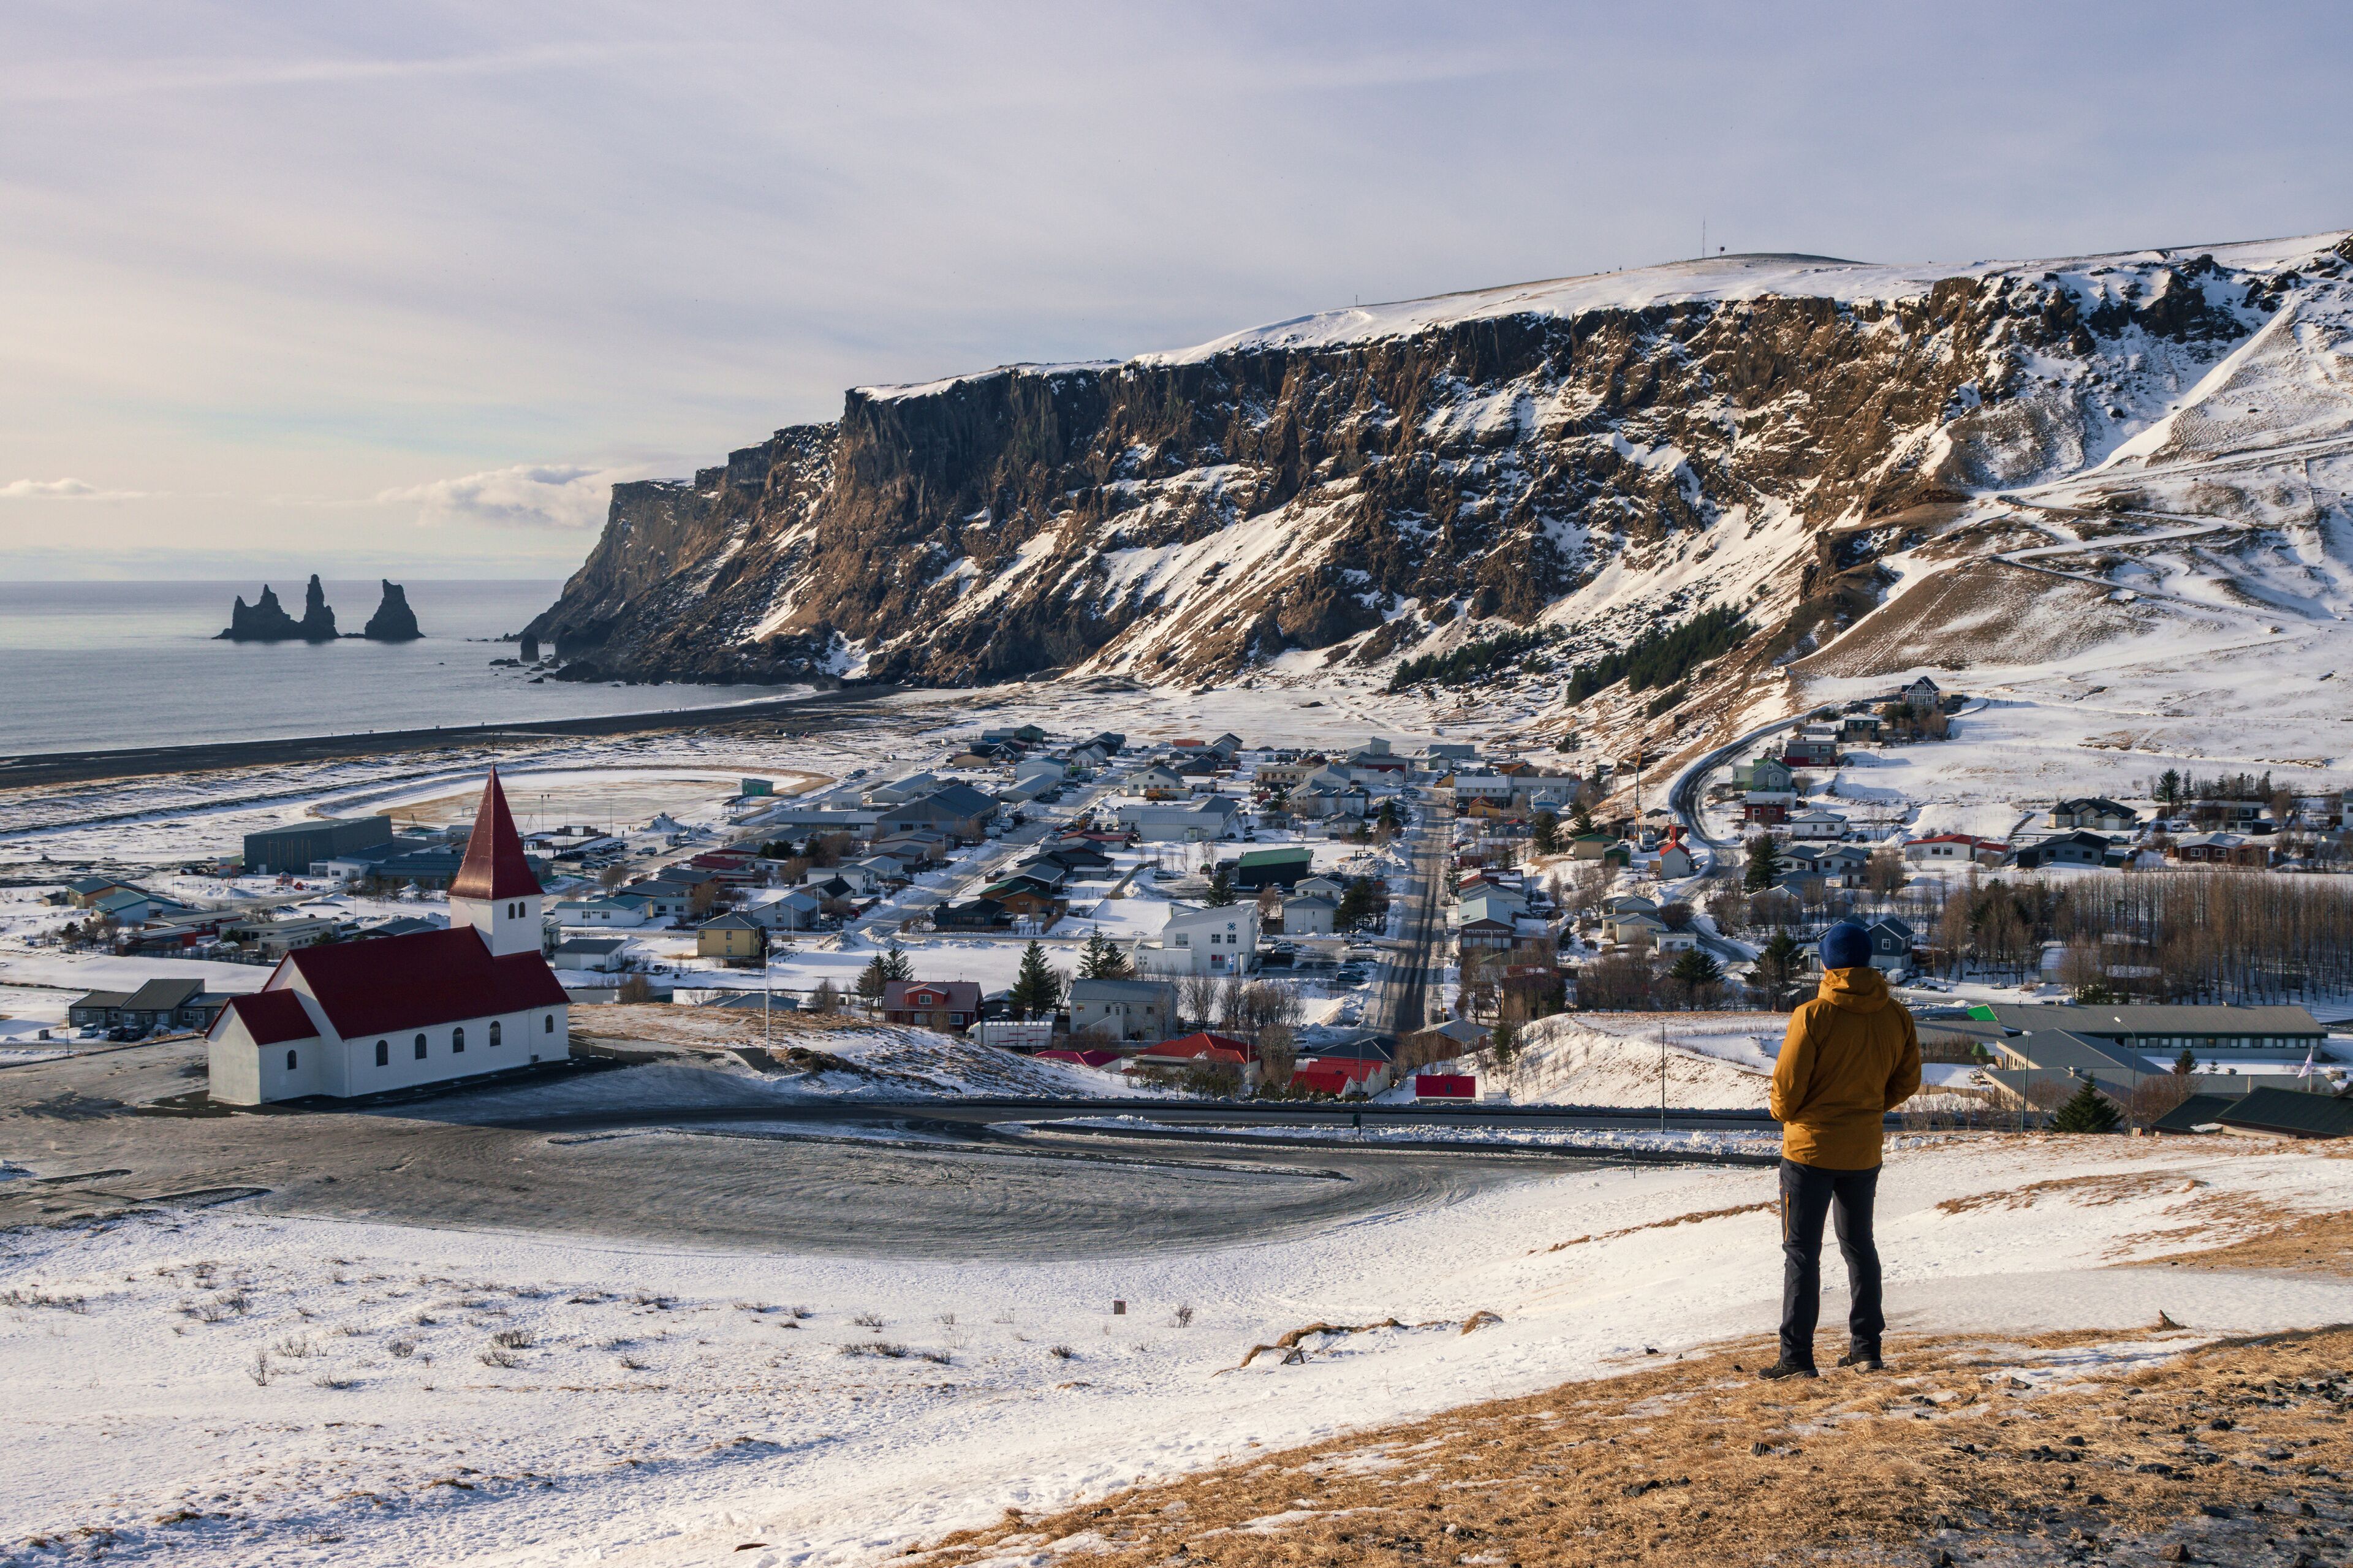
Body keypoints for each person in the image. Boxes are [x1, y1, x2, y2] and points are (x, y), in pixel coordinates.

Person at [1757, 919, 1921, 1379]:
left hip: (1809, 1151)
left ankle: (1796, 1358)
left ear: (1827, 964)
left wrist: (1786, 1113)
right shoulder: (1897, 1015)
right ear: (1868, 961)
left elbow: (1786, 1092)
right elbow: (1908, 1081)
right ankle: (1867, 1348)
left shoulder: (1813, 1015)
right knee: (1859, 1246)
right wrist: (1868, 1108)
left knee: (1802, 1253)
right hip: (1863, 1151)